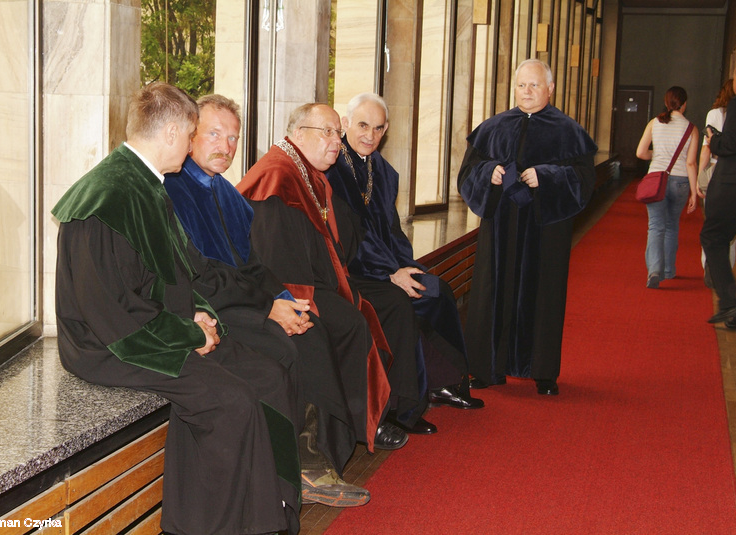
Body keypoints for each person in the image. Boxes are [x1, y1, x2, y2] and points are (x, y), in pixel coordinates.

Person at [52, 82, 301, 535]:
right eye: (190, 135)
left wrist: (199, 314)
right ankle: (209, 527)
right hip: (110, 346)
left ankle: (274, 508)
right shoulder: (106, 198)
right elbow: (111, 313)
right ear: (170, 133)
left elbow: (183, 270)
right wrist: (188, 333)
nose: (191, 146)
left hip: (153, 327)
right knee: (231, 401)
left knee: (266, 374)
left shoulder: (147, 184)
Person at [164, 93, 370, 507]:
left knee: (310, 328)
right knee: (290, 345)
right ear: (190, 135)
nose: (226, 146)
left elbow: (255, 264)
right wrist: (268, 307)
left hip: (241, 300)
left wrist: (283, 299)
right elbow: (198, 276)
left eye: (233, 138)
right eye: (214, 135)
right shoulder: (172, 191)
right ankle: (301, 468)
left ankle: (318, 458)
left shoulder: (227, 193)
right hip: (207, 310)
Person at [237, 103, 435, 440]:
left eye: (338, 134)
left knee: (394, 302)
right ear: (299, 134)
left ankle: (399, 406)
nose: (336, 141)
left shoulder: (309, 171)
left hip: (325, 275)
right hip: (291, 287)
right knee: (351, 323)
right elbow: (275, 258)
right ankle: (364, 424)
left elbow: (346, 234)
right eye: (327, 132)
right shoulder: (277, 175)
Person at [325, 92, 483, 413]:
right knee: (404, 303)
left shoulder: (382, 170)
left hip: (385, 264)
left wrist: (407, 266)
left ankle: (446, 383)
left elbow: (393, 230)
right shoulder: (332, 170)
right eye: (363, 126)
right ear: (345, 123)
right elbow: (350, 237)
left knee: (437, 291)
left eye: (378, 128)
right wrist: (390, 274)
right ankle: (414, 399)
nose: (370, 136)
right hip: (352, 270)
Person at [457, 59, 597, 396]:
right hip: (500, 229)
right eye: (521, 85)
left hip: (545, 230)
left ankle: (542, 371)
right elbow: (466, 174)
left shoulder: (569, 132)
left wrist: (547, 176)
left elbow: (583, 180)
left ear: (550, 89)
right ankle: (487, 368)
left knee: (544, 296)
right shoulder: (493, 128)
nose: (527, 91)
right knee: (493, 292)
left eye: (534, 85)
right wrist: (488, 172)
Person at [701, 60, 736, 330]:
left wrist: (714, 139)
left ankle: (729, 300)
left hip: (735, 186)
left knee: (713, 237)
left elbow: (735, 143)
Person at [635, 86, 698, 289]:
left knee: (655, 226)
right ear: (684, 104)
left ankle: (654, 271)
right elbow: (691, 163)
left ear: (666, 102)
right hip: (680, 182)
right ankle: (669, 269)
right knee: (672, 226)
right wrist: (694, 192)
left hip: (656, 179)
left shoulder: (654, 123)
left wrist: (657, 155)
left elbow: (640, 153)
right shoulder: (691, 129)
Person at [697, 79, 736, 288]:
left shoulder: (714, 114)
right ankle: (726, 269)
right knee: (732, 226)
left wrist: (700, 176)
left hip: (715, 170)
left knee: (712, 222)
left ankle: (709, 266)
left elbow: (707, 147)